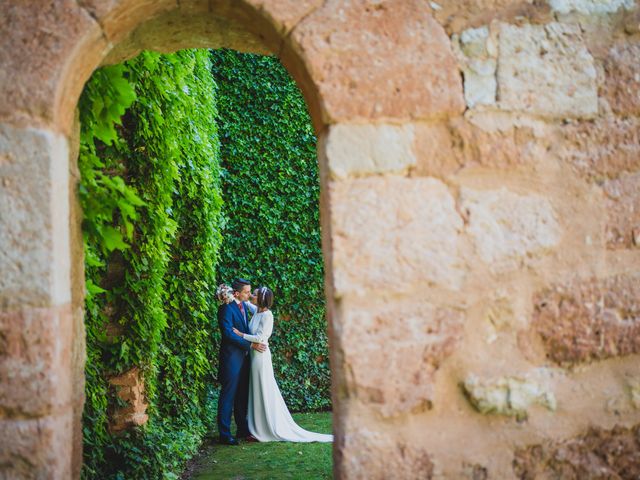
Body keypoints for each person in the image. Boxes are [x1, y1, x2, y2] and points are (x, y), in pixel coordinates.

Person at [232, 287, 333, 443]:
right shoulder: (257, 311)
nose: (252, 295)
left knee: (262, 389)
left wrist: (240, 335)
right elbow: (245, 305)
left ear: (261, 299)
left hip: (260, 358)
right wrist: (232, 297)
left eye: (255, 294)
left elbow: (260, 337)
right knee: (256, 391)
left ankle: (265, 428)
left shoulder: (267, 315)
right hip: (253, 357)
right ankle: (256, 427)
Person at [216, 279, 266, 446]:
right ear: (236, 293)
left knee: (242, 397)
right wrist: (251, 344)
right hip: (231, 359)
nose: (249, 294)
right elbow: (228, 334)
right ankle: (224, 434)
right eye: (246, 292)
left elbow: (263, 312)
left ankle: (242, 429)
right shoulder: (225, 309)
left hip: (244, 359)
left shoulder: (244, 305)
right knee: (227, 397)